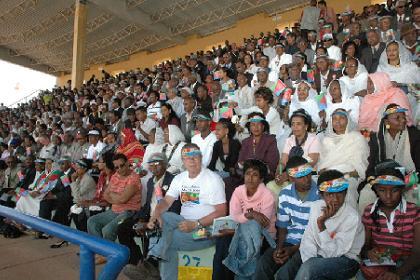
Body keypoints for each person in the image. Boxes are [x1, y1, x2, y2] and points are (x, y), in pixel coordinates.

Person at [143, 144, 227, 280]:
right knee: (163, 216)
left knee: (169, 239)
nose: (192, 160)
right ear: (183, 161)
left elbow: (222, 211)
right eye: (187, 157)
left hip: (208, 230)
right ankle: (154, 261)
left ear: (201, 157)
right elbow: (165, 202)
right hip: (184, 224)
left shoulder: (213, 179)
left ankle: (152, 263)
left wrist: (196, 224)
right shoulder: (179, 178)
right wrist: (154, 216)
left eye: (195, 156)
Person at [254, 156, 321, 280]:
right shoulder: (285, 194)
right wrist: (279, 248)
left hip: (310, 245)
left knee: (285, 274)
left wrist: (292, 250)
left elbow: (317, 234)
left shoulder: (320, 195)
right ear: (290, 178)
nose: (306, 179)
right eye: (301, 176)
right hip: (288, 241)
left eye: (308, 174)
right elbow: (283, 228)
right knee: (263, 265)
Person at [119, 153, 181, 278]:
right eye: (151, 164)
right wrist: (141, 219)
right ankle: (136, 262)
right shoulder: (150, 182)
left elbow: (174, 207)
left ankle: (148, 268)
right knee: (123, 228)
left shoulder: (173, 180)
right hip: (149, 216)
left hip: (164, 218)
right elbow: (148, 205)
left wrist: (154, 221)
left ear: (165, 164)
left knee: (151, 230)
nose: (153, 166)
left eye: (157, 163)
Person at [296, 170, 365, 279]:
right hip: (320, 255)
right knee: (289, 269)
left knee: (309, 268)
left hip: (346, 260)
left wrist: (321, 224)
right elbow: (308, 239)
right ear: (322, 195)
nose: (335, 199)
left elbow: (335, 252)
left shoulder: (352, 217)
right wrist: (309, 260)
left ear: (346, 193)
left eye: (339, 193)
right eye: (330, 194)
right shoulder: (316, 207)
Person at [359, 161, 420, 280]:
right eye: (382, 190)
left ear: (402, 189)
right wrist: (368, 253)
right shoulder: (369, 212)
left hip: (408, 265)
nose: (388, 196)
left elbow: (418, 253)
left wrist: (397, 273)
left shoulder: (414, 212)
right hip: (381, 263)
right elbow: (364, 247)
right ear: (376, 190)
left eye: (394, 190)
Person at [221, 159, 277, 279]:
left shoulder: (268, 195)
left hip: (265, 236)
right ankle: (244, 271)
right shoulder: (238, 191)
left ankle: (241, 272)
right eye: (247, 173)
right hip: (240, 232)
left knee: (252, 226)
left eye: (255, 175)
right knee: (229, 238)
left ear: (261, 179)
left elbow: (263, 223)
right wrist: (250, 215)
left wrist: (248, 217)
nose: (250, 178)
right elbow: (234, 217)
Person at [87, 153, 141, 263]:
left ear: (127, 163)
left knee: (108, 230)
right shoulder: (115, 175)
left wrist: (115, 197)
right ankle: (100, 251)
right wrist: (118, 198)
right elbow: (106, 195)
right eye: (117, 167)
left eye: (122, 165)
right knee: (92, 222)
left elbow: (123, 199)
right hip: (115, 210)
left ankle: (108, 255)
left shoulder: (134, 178)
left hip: (129, 211)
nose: (120, 169)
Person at [318, 109, 369, 183]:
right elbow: (321, 166)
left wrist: (344, 176)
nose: (337, 121)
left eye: (341, 118)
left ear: (348, 121)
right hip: (328, 177)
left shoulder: (357, 138)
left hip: (350, 177)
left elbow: (361, 166)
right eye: (334, 118)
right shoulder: (326, 141)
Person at [238, 112, 279, 179]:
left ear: (263, 127)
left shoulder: (271, 140)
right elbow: (240, 161)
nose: (256, 127)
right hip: (247, 176)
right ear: (250, 127)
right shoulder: (245, 142)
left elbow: (272, 163)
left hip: (264, 176)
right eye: (253, 125)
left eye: (258, 124)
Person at [69, 158, 97, 232]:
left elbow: (77, 195)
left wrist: (73, 180)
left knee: (76, 211)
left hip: (90, 205)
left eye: (78, 168)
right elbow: (74, 195)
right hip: (81, 202)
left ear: (84, 169)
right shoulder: (79, 178)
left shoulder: (88, 179)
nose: (76, 170)